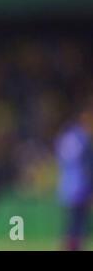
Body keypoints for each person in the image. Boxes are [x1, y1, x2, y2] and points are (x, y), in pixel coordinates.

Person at [55, 98, 93, 251]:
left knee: (73, 222)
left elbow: (61, 157)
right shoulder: (83, 138)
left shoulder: (67, 135)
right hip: (79, 186)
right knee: (77, 222)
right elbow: (86, 165)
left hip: (67, 185)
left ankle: (70, 246)